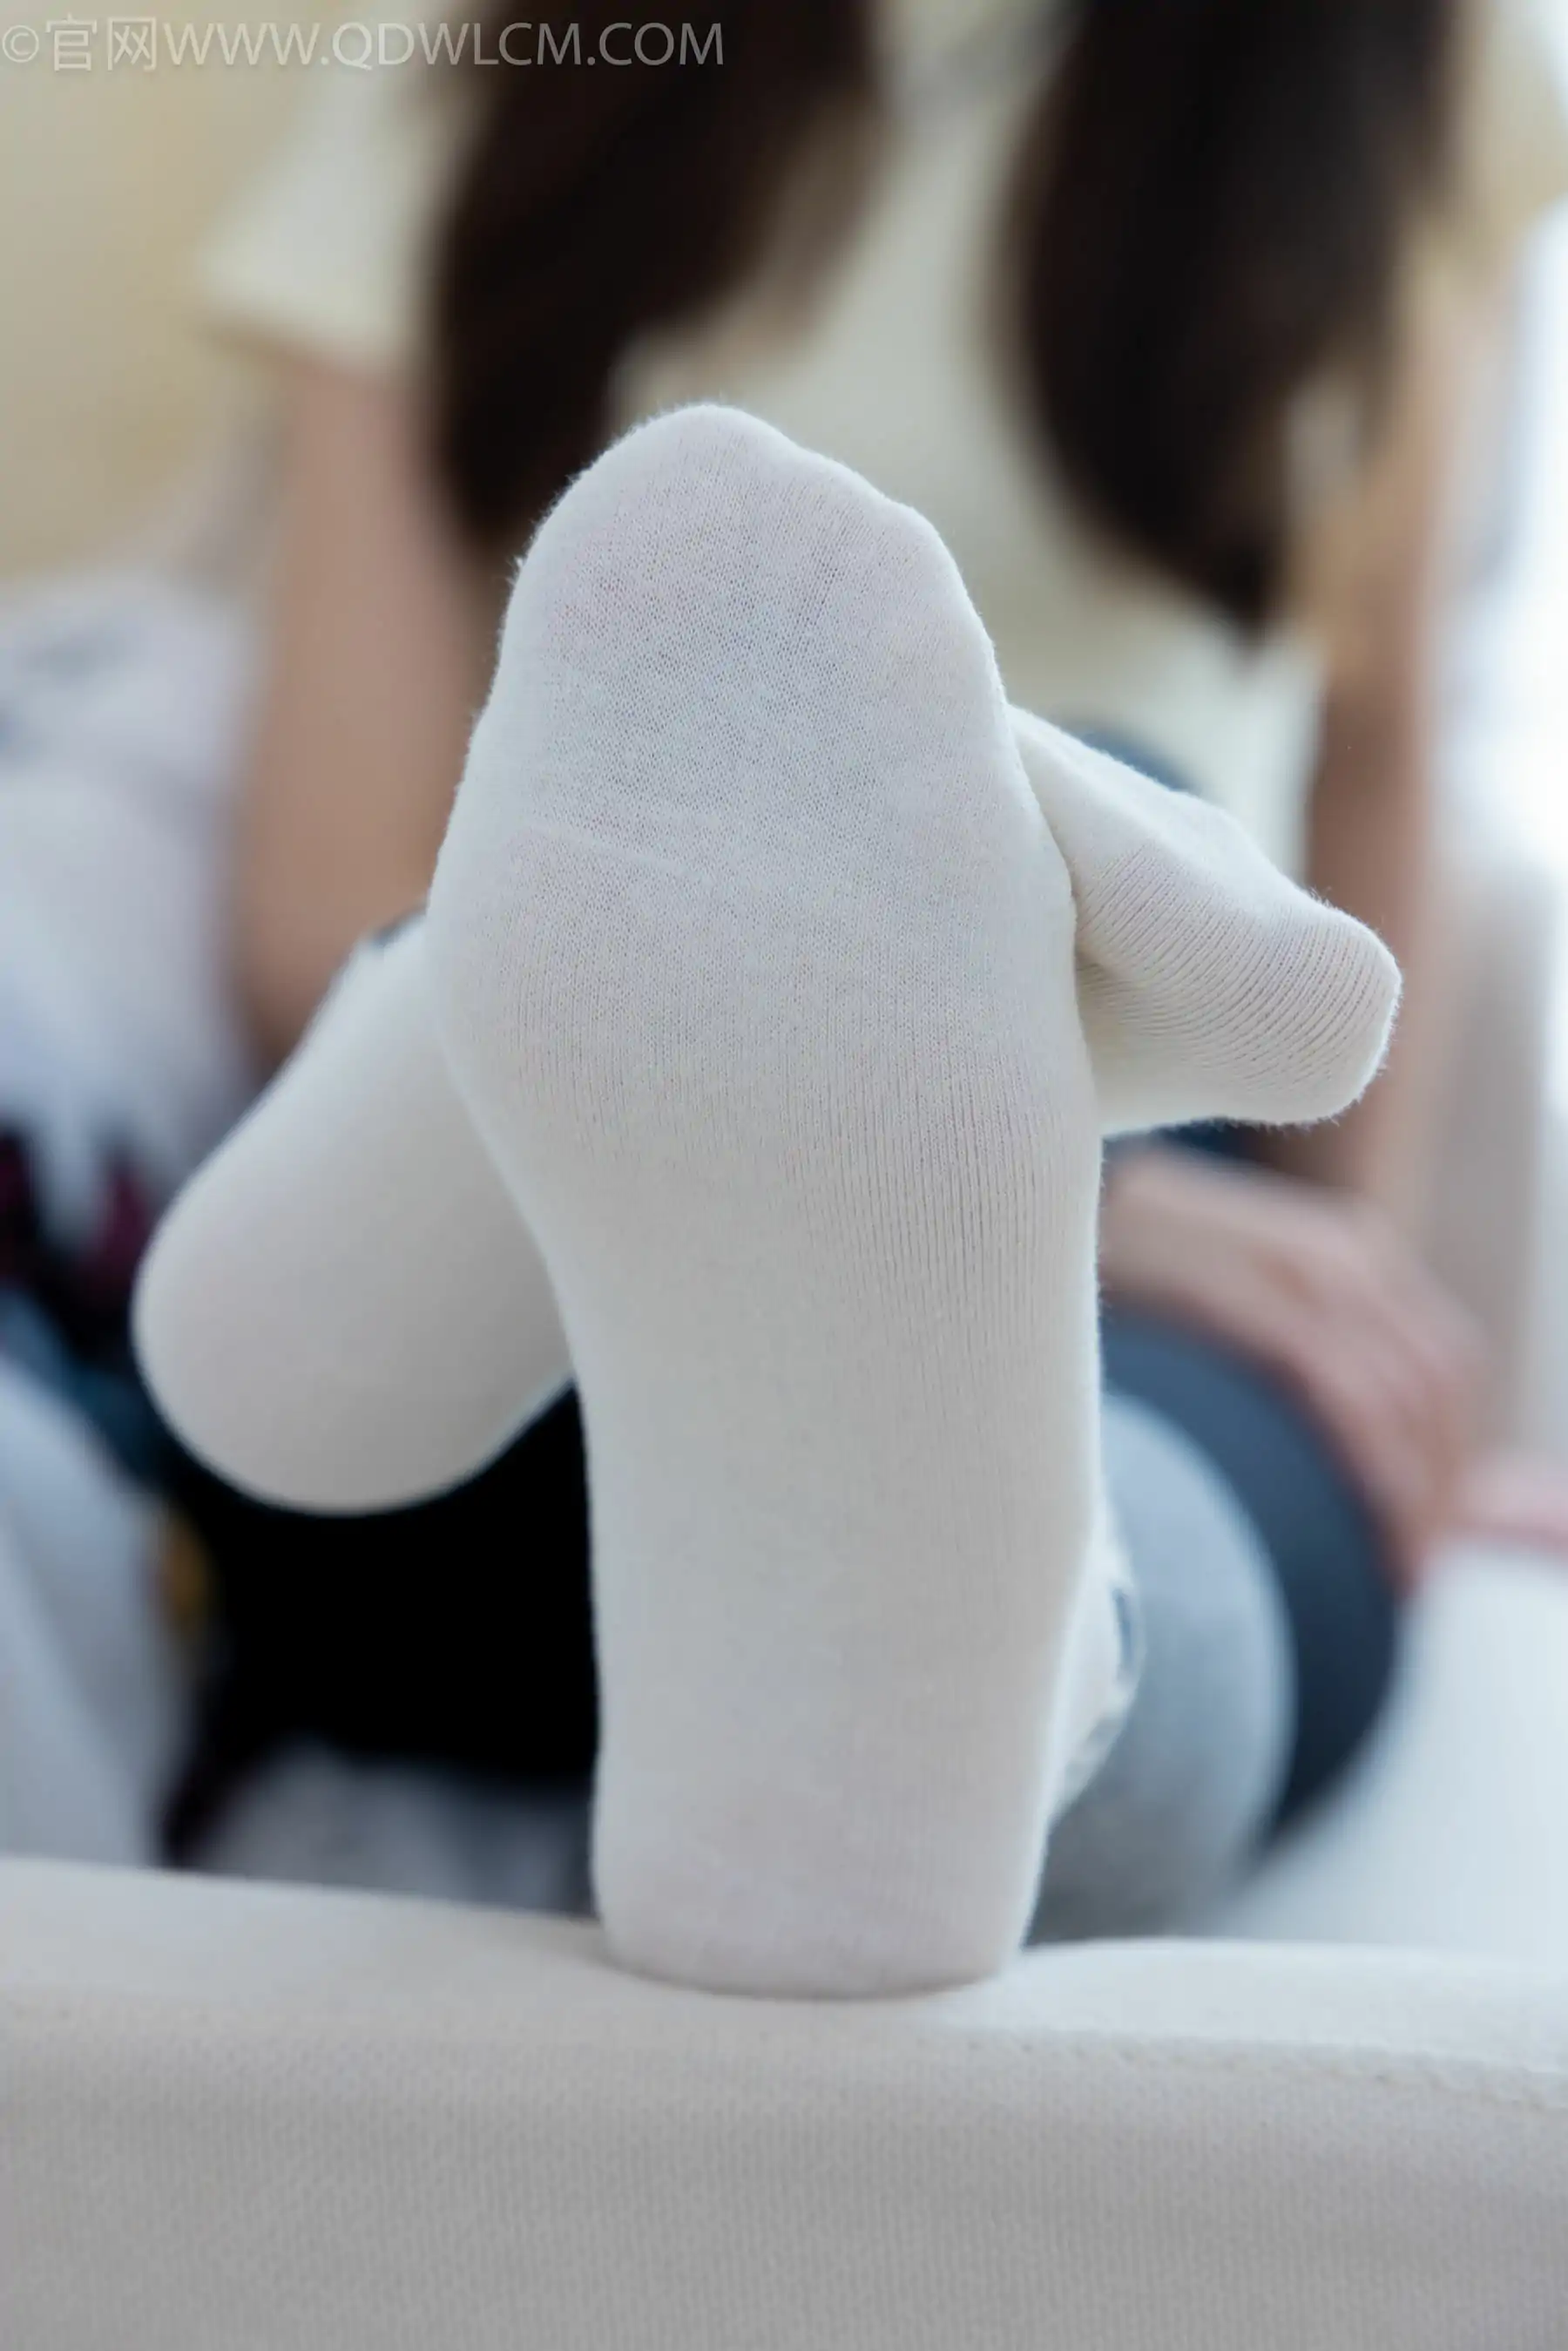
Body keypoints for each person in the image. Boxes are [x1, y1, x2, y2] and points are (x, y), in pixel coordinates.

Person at [139, 0, 1568, 1923]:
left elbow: (1376, 743)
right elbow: (325, 888)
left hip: (1133, 1065)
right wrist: (996, 1179)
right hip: (593, 1140)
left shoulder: (1406, 58)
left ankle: (1009, 1670)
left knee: (1253, 1464)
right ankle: (1025, 1667)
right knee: (1186, 1497)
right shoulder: (496, 45)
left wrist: (1332, 1300)